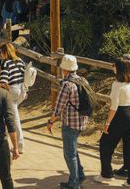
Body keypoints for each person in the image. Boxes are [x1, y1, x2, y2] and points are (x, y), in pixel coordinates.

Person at [94, 58, 130, 188]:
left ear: (119, 69)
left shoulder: (116, 85)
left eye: (114, 66)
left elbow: (114, 107)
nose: (113, 67)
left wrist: (107, 123)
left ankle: (106, 174)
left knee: (105, 143)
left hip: (121, 115)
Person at [47, 54, 88, 189]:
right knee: (73, 150)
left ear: (64, 69)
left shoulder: (67, 85)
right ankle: (80, 174)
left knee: (69, 154)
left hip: (70, 123)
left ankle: (74, 183)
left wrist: (51, 121)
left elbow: (58, 107)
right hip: (82, 121)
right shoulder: (82, 81)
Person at [0, 43, 27, 154]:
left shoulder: (6, 63)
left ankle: (19, 145)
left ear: (4, 52)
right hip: (22, 90)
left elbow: (4, 81)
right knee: (12, 115)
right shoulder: (20, 60)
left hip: (13, 91)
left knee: (14, 119)